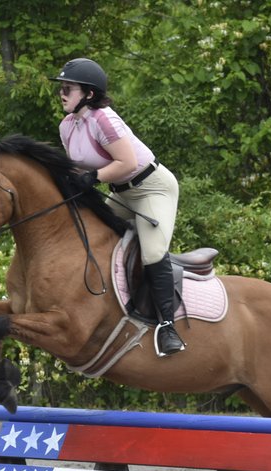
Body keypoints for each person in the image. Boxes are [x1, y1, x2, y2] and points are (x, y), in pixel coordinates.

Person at [51, 57, 186, 357]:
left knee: (152, 252)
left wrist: (93, 178)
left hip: (152, 188)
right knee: (88, 233)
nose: (62, 93)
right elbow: (77, 169)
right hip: (122, 193)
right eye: (61, 88)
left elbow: (126, 162)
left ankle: (167, 327)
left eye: (68, 88)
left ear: (88, 94)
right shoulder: (67, 127)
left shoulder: (104, 119)